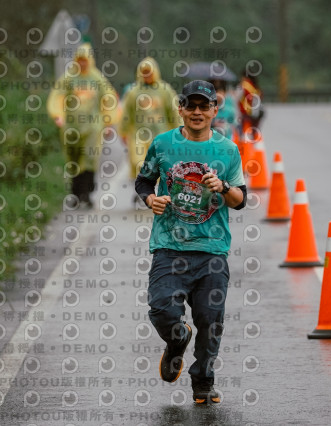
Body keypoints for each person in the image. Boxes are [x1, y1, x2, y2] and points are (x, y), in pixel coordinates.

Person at [134, 80, 247, 404]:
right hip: (170, 246)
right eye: (191, 106)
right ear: (180, 108)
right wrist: (149, 199)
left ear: (215, 109)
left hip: (212, 250)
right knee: (162, 309)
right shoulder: (163, 144)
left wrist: (223, 187)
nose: (197, 112)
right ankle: (176, 340)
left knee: (210, 320)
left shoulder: (227, 150)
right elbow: (144, 180)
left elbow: (241, 201)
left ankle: (203, 382)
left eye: (204, 106)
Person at [46, 43, 120, 209]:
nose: (82, 64)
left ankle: (87, 193)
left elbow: (108, 98)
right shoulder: (69, 77)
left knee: (89, 157)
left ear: (90, 60)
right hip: (71, 127)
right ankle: (75, 194)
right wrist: (58, 115)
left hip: (93, 126)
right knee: (73, 159)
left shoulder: (97, 78)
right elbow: (57, 96)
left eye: (84, 60)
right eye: (79, 60)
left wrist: (108, 121)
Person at [120, 57, 181, 201]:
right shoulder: (133, 92)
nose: (147, 75)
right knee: (138, 162)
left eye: (149, 72)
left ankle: (155, 192)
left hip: (160, 134)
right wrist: (123, 131)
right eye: (144, 72)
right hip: (138, 134)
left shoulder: (164, 90)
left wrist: (179, 130)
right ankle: (143, 191)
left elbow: (173, 111)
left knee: (159, 164)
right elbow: (127, 113)